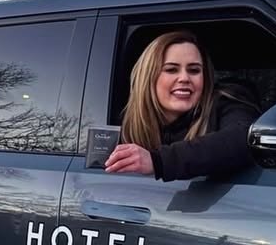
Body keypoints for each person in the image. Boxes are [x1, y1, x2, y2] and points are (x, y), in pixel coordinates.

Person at [105, 30, 259, 181]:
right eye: (171, 69)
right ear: (148, 78)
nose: (184, 78)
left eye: (194, 70)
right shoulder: (124, 125)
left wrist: (158, 161)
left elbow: (244, 137)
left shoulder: (227, 103)